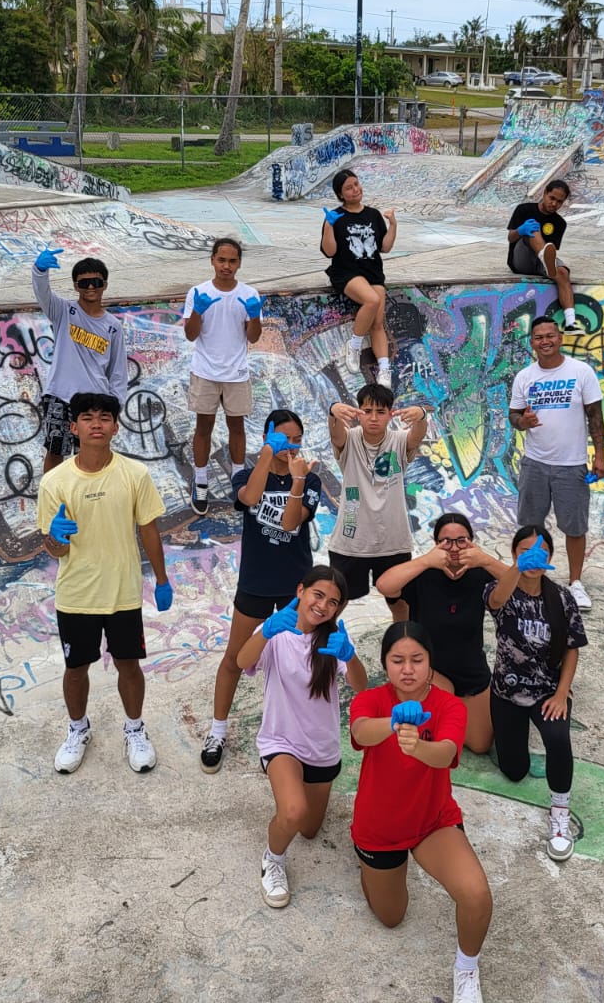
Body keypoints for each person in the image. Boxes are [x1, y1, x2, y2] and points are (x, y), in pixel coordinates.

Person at [349, 621, 493, 1003]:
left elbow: (446, 753)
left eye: (417, 659)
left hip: (433, 821)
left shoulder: (448, 705)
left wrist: (417, 748)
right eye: (398, 660)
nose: (407, 669)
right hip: (379, 827)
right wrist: (393, 724)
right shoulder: (370, 699)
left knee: (476, 895)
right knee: (392, 916)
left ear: (431, 664)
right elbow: (361, 732)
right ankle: (367, 867)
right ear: (384, 664)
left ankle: (466, 969)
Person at [37, 392, 172, 775]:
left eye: (105, 417)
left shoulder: (135, 474)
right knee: (76, 669)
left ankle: (135, 730)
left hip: (123, 592)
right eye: (88, 417)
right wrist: (56, 538)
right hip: (76, 594)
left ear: (115, 426)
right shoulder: (54, 482)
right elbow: (52, 549)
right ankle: (78, 730)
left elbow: (148, 527)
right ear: (74, 427)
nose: (96, 423)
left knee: (129, 666)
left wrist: (162, 580)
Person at [235, 565, 367, 908]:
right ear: (300, 591)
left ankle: (292, 803)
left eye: (333, 602)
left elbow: (362, 688)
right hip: (281, 742)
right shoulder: (275, 630)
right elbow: (242, 661)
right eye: (318, 594)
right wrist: (265, 633)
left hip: (322, 751)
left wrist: (350, 657)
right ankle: (273, 860)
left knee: (309, 828)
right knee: (293, 813)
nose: (323, 605)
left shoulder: (334, 640)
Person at [201, 409, 323, 773]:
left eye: (296, 439)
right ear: (269, 437)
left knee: (300, 661)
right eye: (284, 438)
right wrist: (267, 455)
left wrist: (298, 481)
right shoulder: (246, 473)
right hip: (255, 581)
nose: (292, 446)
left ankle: (297, 733)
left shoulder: (310, 481)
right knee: (235, 658)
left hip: (296, 586)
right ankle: (217, 731)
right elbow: (251, 497)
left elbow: (289, 523)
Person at [485, 525, 587, 862]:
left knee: (558, 738)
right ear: (513, 555)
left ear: (550, 559)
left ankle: (560, 812)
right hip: (506, 692)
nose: (532, 559)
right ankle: (512, 737)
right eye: (523, 552)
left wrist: (562, 694)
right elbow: (497, 600)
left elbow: (572, 649)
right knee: (514, 770)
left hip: (546, 691)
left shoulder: (562, 598)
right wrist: (517, 568)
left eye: (540, 553)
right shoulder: (501, 590)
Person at [374, 513, 507, 754]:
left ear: (472, 542)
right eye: (446, 541)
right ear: (436, 544)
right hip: (430, 670)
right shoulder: (423, 574)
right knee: (435, 730)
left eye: (461, 540)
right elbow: (384, 585)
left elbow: (523, 586)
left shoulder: (479, 573)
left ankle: (447, 714)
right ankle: (433, 710)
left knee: (479, 744)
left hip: (470, 669)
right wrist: (426, 561)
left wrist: (486, 560)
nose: (454, 547)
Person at [508, 314, 604, 611]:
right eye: (539, 337)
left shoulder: (581, 372)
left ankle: (575, 583)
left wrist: (599, 456)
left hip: (572, 464)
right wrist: (523, 421)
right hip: (535, 463)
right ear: (532, 343)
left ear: (560, 337)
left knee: (574, 527)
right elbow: (514, 417)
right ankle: (526, 579)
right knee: (530, 526)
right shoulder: (525, 377)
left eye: (550, 335)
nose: (545, 341)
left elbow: (595, 416)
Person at [327, 383, 428, 621]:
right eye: (367, 411)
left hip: (393, 541)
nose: (373, 418)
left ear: (390, 414)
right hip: (350, 541)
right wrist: (333, 411)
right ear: (358, 412)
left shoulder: (399, 440)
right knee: (334, 602)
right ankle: (324, 650)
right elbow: (336, 434)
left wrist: (422, 415)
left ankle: (402, 644)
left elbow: (418, 435)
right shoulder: (349, 439)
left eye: (380, 412)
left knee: (400, 602)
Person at [181, 237, 263, 515]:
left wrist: (254, 317)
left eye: (232, 261)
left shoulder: (250, 294)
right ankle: (201, 481)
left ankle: (239, 481)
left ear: (239, 263)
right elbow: (190, 334)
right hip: (205, 370)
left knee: (236, 427)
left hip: (237, 372)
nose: (226, 266)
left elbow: (253, 337)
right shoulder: (197, 292)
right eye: (221, 260)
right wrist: (197, 312)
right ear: (212, 260)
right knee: (203, 427)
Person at [32, 248, 130, 474]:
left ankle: (87, 505)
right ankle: (52, 503)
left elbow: (117, 372)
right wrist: (39, 270)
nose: (90, 287)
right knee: (55, 452)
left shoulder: (113, 326)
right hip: (60, 395)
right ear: (76, 286)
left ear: (104, 284)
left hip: (96, 402)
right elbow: (42, 293)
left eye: (96, 282)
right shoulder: (64, 311)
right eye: (84, 283)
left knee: (92, 456)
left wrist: (114, 408)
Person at [320, 168, 398, 388]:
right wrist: (329, 225)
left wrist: (393, 225)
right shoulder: (336, 217)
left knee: (378, 323)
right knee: (372, 300)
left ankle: (384, 369)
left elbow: (385, 247)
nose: (355, 190)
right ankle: (353, 345)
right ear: (340, 194)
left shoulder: (373, 214)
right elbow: (329, 251)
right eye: (349, 188)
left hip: (373, 271)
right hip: (346, 271)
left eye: (356, 184)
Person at [506, 179, 577, 332]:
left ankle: (571, 321)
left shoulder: (560, 223)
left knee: (563, 272)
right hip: (521, 260)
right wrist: (521, 230)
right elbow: (510, 238)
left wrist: (554, 265)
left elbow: (553, 249)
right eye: (552, 198)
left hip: (542, 263)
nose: (554, 204)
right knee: (532, 227)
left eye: (559, 202)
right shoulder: (523, 210)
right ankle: (545, 260)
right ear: (544, 193)